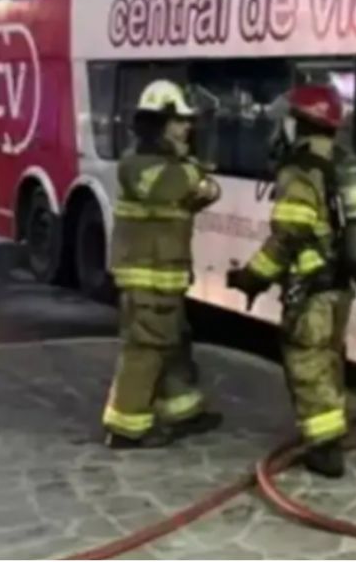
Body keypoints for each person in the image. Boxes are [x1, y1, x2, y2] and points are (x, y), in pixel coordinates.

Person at [225, 84, 356, 478]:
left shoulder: (300, 171)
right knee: (330, 358)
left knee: (307, 360)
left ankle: (324, 448)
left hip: (313, 285)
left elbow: (288, 235)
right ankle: (332, 430)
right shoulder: (343, 162)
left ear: (299, 123)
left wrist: (253, 277)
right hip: (339, 285)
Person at [103, 79, 223, 449]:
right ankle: (125, 428)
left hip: (166, 277)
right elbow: (171, 187)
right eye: (178, 121)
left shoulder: (169, 165)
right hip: (146, 278)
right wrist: (195, 171)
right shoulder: (138, 165)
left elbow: (207, 193)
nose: (187, 128)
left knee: (173, 343)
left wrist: (198, 179)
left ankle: (182, 410)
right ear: (157, 124)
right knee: (146, 349)